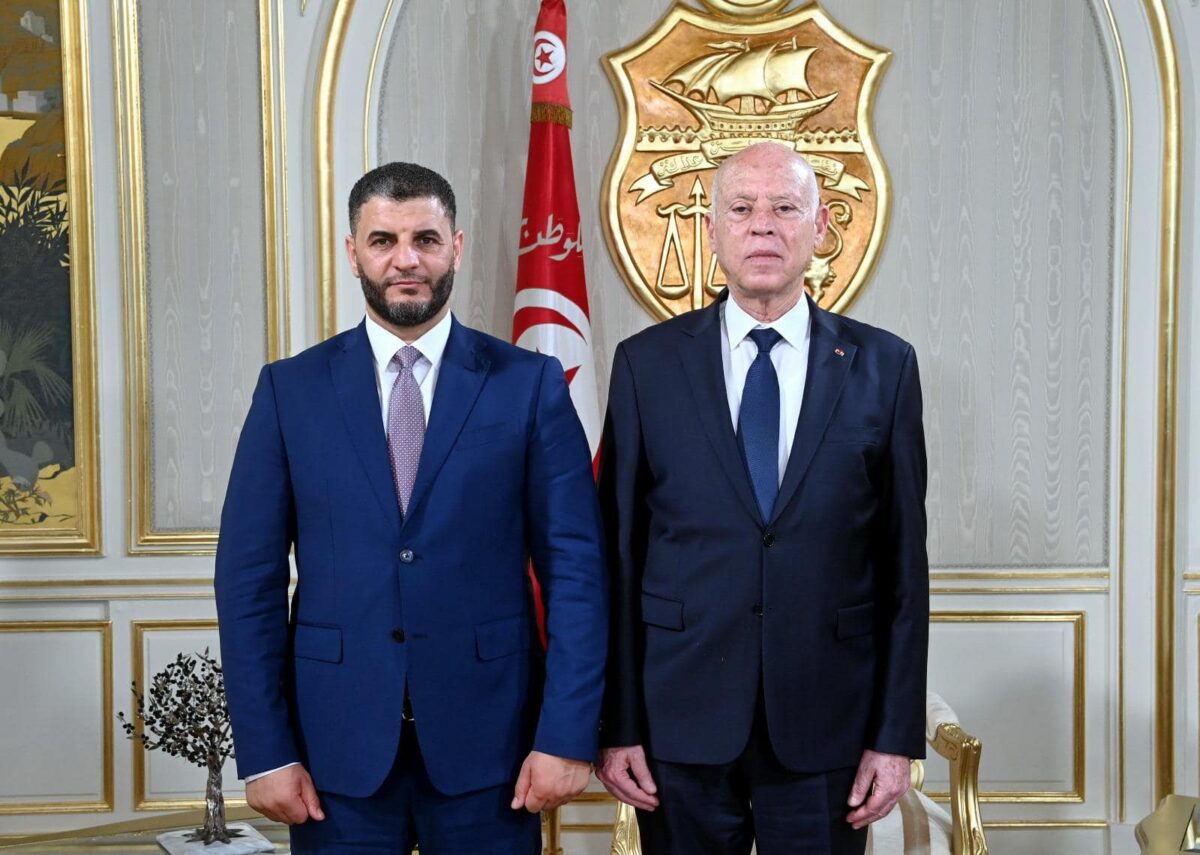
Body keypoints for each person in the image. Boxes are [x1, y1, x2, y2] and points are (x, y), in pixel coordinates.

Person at [214, 161, 607, 854]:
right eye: (383, 240)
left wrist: (567, 736)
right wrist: (266, 750)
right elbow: (248, 580)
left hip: (495, 749)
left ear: (456, 247)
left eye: (425, 239)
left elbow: (576, 570)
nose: (406, 260)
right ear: (353, 252)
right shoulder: (290, 391)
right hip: (334, 754)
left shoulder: (528, 384)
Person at [595, 141, 929, 855]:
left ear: (821, 226)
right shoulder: (646, 365)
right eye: (742, 209)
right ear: (712, 229)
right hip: (679, 722)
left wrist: (895, 736)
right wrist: (616, 723)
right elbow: (617, 558)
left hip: (828, 724)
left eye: (785, 207)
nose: (763, 226)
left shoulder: (885, 366)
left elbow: (904, 568)